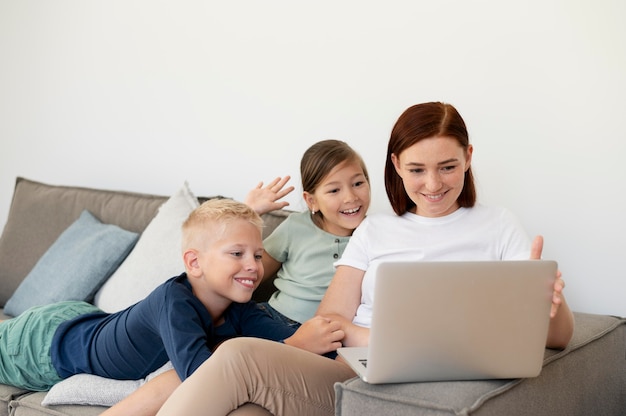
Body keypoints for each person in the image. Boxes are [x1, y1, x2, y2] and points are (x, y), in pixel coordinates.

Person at [152, 102, 574, 416]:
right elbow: (328, 323)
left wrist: (545, 306)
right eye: (416, 169)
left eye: (447, 166)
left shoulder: (499, 226)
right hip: (352, 374)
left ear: (468, 157)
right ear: (395, 165)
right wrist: (377, 341)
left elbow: (559, 337)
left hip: (435, 373)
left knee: (237, 361)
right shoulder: (375, 231)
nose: (432, 184)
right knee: (239, 365)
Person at [0, 199, 344, 414]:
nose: (254, 265)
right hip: (46, 345)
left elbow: (307, 344)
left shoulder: (242, 309)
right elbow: (205, 376)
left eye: (256, 254)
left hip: (84, 317)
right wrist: (295, 345)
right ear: (194, 263)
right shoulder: (175, 302)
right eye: (237, 254)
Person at [249, 139, 371, 327]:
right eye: (334, 190)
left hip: (333, 333)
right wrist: (248, 214)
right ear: (311, 200)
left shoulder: (375, 233)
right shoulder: (295, 227)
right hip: (277, 318)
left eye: (357, 183)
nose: (350, 197)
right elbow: (249, 272)